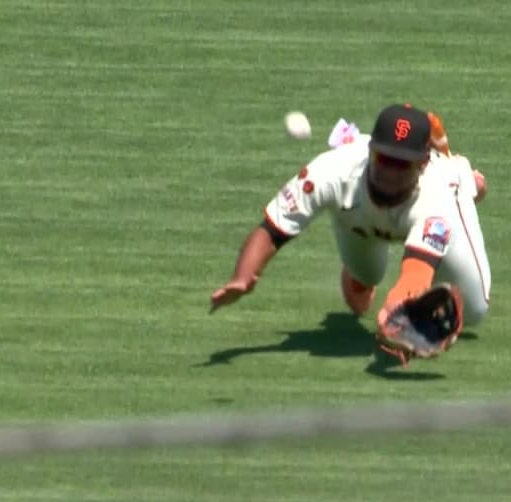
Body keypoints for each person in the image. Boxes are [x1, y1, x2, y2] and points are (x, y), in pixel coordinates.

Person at [209, 103, 491, 357]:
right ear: (370, 150)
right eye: (385, 158)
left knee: (475, 309)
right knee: (366, 275)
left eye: (401, 163)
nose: (391, 172)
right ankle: (359, 275)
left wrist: (392, 314)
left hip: (442, 203)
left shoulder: (438, 198)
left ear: (422, 162)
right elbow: (272, 229)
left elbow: (417, 273)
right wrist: (243, 276)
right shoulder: (332, 172)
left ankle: (467, 180)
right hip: (360, 220)